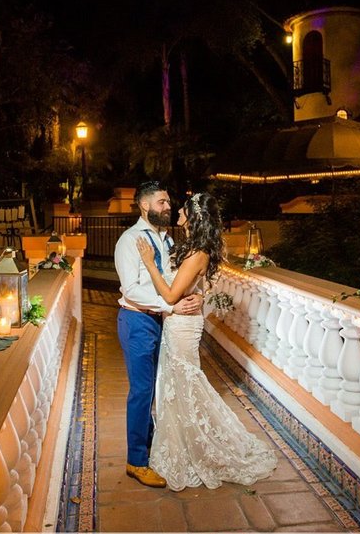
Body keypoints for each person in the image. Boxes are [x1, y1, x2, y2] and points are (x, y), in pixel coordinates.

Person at [135, 192, 277, 492]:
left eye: (183, 211)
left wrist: (149, 264)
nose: (178, 213)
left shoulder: (198, 252)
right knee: (176, 384)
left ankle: (199, 448)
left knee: (185, 384)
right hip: (178, 323)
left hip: (182, 326)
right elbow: (196, 286)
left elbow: (172, 295)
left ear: (194, 217)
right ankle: (183, 443)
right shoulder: (191, 248)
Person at [114, 181, 203, 488]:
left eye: (168, 202)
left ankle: (151, 446)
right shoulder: (130, 241)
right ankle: (135, 462)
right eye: (162, 202)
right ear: (145, 206)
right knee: (141, 391)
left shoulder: (166, 240)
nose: (168, 206)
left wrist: (195, 297)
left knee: (156, 388)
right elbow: (132, 288)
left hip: (161, 321)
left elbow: (178, 279)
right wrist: (171, 306)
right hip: (137, 321)